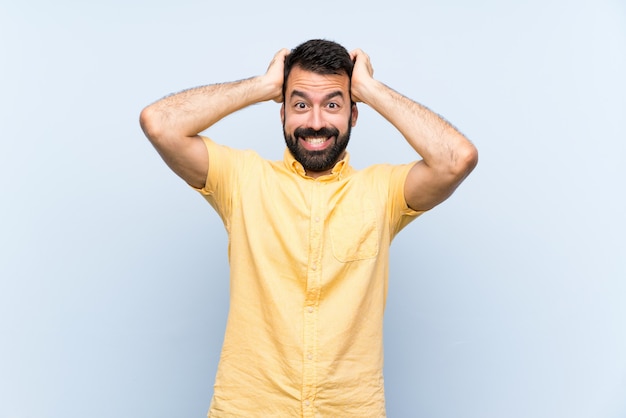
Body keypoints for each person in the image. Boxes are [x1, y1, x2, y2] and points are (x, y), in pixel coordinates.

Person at [140, 39, 477, 418]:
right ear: (282, 112)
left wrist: (370, 90)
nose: (316, 122)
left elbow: (456, 159)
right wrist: (262, 86)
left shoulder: (383, 192)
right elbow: (159, 122)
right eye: (300, 105)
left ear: (354, 115)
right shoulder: (241, 180)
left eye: (333, 104)